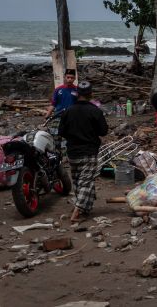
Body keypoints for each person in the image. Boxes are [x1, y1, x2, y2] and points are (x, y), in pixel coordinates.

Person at [57, 81, 108, 224]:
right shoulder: (95, 111)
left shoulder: (68, 111)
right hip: (89, 151)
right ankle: (77, 212)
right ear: (91, 94)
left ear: (77, 94)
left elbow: (61, 132)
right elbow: (103, 131)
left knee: (78, 182)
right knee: (86, 182)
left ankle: (85, 209)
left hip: (72, 152)